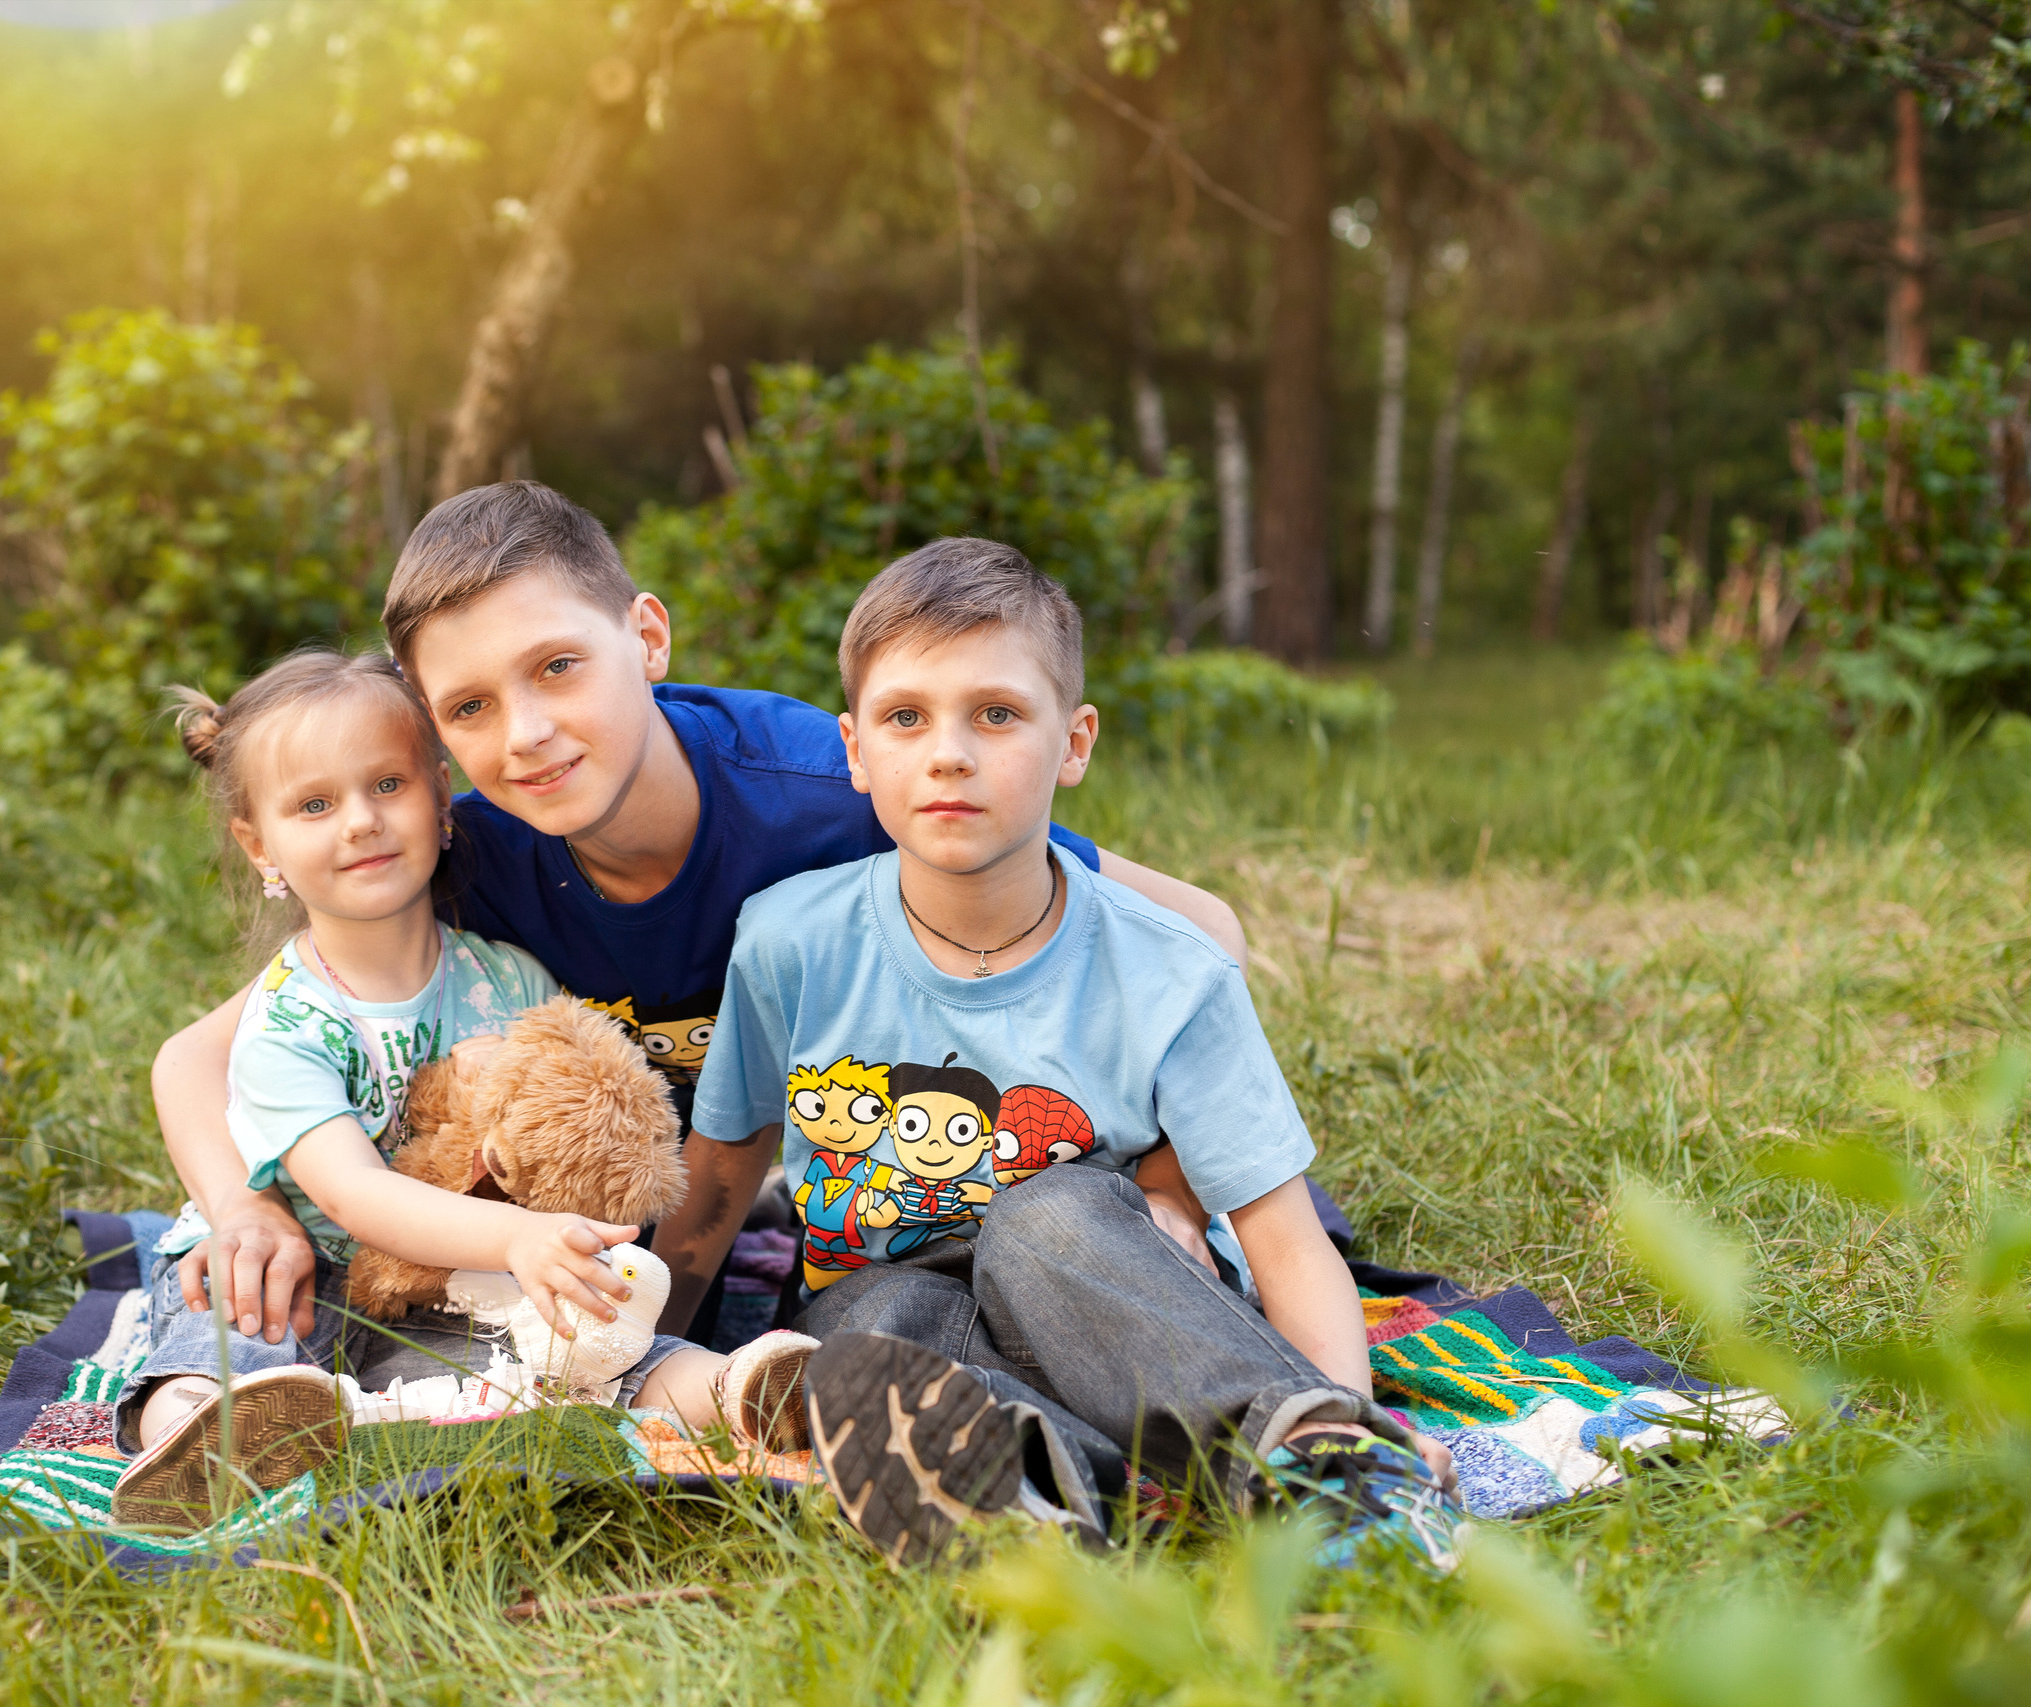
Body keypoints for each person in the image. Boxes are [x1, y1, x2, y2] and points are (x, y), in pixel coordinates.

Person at [150, 480, 1252, 1357]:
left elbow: (1202, 931)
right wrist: (244, 1211)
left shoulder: (831, 796)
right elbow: (199, 1058)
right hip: (635, 1221)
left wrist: (1168, 1192)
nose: (525, 732)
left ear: (648, 637)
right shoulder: (465, 850)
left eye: (558, 667)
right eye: (471, 706)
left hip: (940, 1171)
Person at [690, 538, 1463, 1568]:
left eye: (996, 714)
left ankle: (1323, 1463)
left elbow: (1283, 1237)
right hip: (889, 1293)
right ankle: (1026, 1501)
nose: (948, 753)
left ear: (1074, 741)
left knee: (1041, 1219)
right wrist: (649, 1351)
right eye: (905, 717)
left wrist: (1342, 1403)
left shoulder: (1171, 968)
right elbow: (721, 1170)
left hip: (1118, 1297)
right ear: (855, 749)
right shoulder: (788, 940)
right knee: (870, 1333)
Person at [110, 648, 813, 1528]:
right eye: (315, 805)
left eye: (387, 785)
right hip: (299, 1256)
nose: (360, 821)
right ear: (261, 845)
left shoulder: (510, 976)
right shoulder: (286, 1020)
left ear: (442, 798)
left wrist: (562, 1214)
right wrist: (518, 1236)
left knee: (566, 1345)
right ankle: (194, 1433)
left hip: (447, 1275)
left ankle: (741, 1387)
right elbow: (352, 1193)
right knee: (238, 1326)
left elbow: (559, 1124)